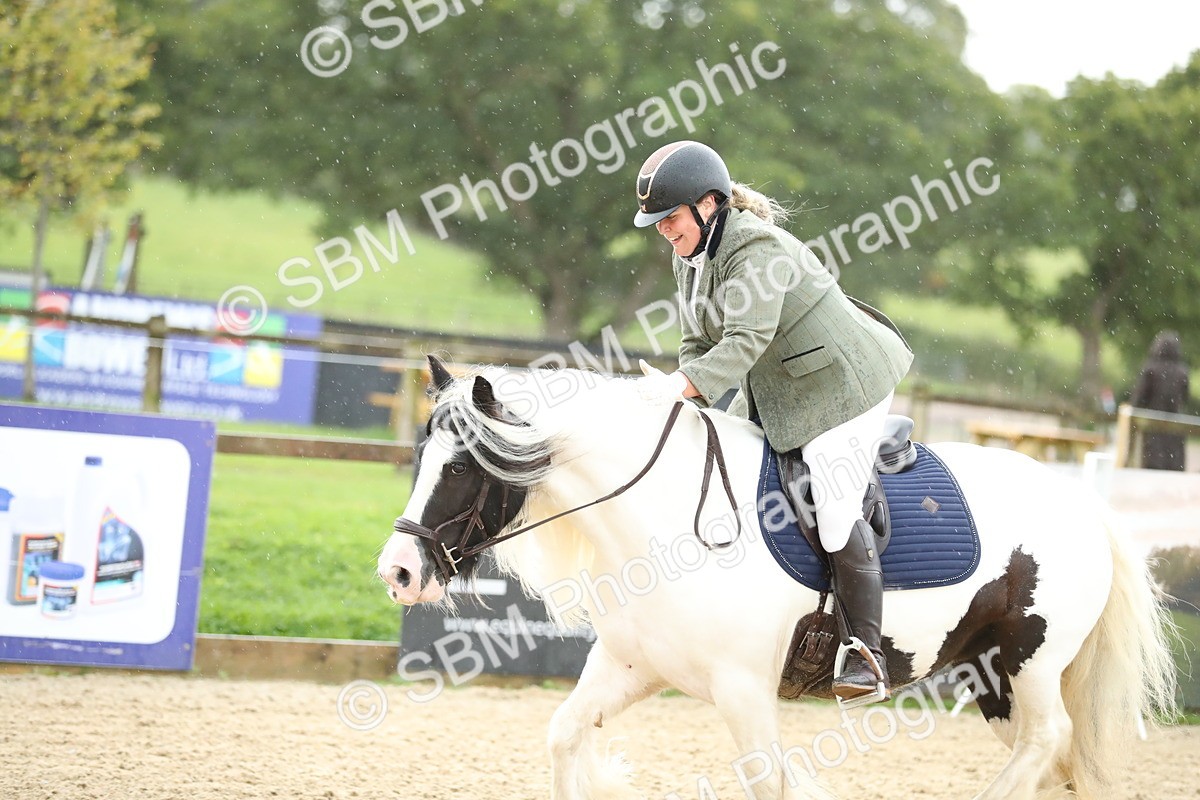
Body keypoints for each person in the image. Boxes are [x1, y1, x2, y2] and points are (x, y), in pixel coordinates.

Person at [632, 140, 913, 704]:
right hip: (779, 387)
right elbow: (697, 343)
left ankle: (866, 654)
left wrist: (678, 387)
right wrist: (684, 404)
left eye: (670, 216)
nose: (663, 229)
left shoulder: (755, 246)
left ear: (708, 204)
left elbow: (746, 340)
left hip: (844, 384)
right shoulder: (691, 254)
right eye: (657, 221)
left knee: (833, 508)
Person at [1131, 331, 1190, 471]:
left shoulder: (1151, 369)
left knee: (1153, 465)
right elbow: (1185, 398)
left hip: (1153, 425)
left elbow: (1139, 398)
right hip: (1175, 425)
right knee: (1173, 466)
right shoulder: (1182, 372)